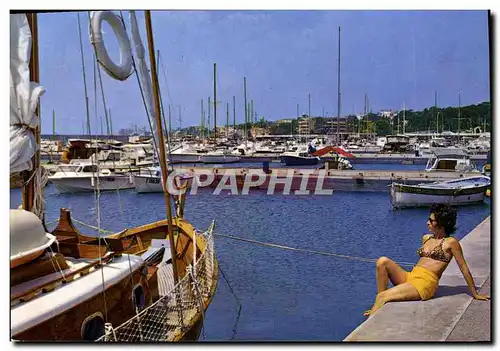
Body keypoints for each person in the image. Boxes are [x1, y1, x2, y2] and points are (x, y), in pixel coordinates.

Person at [364, 204, 489, 317]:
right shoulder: (426, 238)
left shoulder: (451, 243)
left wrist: (474, 293)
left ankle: (379, 303)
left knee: (382, 296)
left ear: (442, 223)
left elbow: (463, 267)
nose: (427, 223)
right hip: (411, 276)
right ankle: (379, 304)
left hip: (426, 283)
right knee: (382, 261)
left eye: (431, 220)